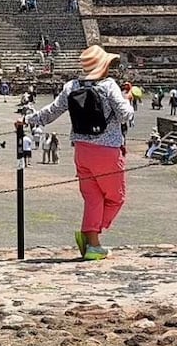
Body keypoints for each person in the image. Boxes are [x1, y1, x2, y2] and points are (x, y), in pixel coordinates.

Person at [24, 44, 134, 261]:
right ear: (103, 66)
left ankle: (93, 244)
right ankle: (91, 236)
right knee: (115, 197)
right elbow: (125, 115)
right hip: (107, 150)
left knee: (92, 198)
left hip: (82, 150)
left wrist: (27, 119)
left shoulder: (71, 86)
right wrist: (128, 98)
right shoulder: (109, 85)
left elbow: (52, 111)